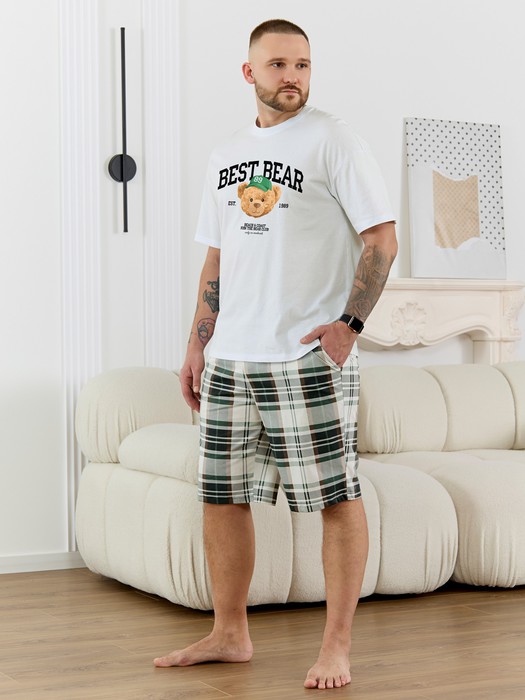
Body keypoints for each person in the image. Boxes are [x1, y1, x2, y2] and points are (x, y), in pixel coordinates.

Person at [154, 18, 397, 690]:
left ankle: (336, 647)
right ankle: (229, 633)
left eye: (302, 65)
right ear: (249, 73)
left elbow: (381, 237)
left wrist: (350, 324)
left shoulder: (334, 139)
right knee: (221, 497)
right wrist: (197, 342)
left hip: (305, 355)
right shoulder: (225, 154)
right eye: (278, 65)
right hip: (232, 356)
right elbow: (217, 255)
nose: (292, 76)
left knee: (335, 498)